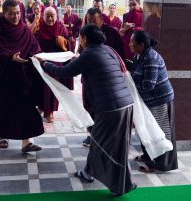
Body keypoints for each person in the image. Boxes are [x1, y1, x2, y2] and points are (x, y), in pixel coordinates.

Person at [37, 24, 136, 196]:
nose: (79, 40)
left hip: (110, 107)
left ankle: (121, 185)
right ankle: (89, 173)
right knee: (116, 145)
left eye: (80, 38)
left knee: (99, 144)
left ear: (85, 39)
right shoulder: (107, 50)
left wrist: (44, 64)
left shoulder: (89, 54)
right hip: (126, 104)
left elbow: (64, 73)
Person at [0, 0, 44, 152]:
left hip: (23, 73)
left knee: (25, 106)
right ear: (4, 13)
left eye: (18, 13)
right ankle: (3, 136)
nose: (15, 16)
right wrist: (11, 56)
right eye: (11, 14)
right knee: (4, 106)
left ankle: (26, 142)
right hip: (4, 73)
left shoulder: (23, 28)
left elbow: (33, 45)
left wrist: (39, 55)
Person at [130, 30, 178, 173]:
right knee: (147, 129)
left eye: (132, 42)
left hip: (159, 100)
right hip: (148, 100)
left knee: (160, 132)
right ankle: (147, 156)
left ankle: (160, 164)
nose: (130, 44)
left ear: (141, 44)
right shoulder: (139, 55)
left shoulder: (151, 58)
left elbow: (148, 84)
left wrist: (130, 83)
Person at [81, 7, 126, 146]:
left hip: (106, 81)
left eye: (94, 21)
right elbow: (81, 52)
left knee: (103, 108)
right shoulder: (85, 33)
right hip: (89, 77)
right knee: (89, 106)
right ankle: (92, 133)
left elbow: (120, 55)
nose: (91, 25)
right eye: (89, 21)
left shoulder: (111, 32)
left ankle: (104, 136)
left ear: (101, 19)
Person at [36, 7, 73, 123]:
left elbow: (69, 42)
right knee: (41, 87)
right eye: (48, 16)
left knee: (52, 87)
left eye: (52, 16)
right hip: (42, 60)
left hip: (56, 62)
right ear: (43, 16)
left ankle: (50, 112)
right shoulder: (39, 27)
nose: (50, 18)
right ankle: (42, 107)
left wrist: (64, 41)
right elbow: (34, 42)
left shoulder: (60, 26)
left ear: (56, 16)